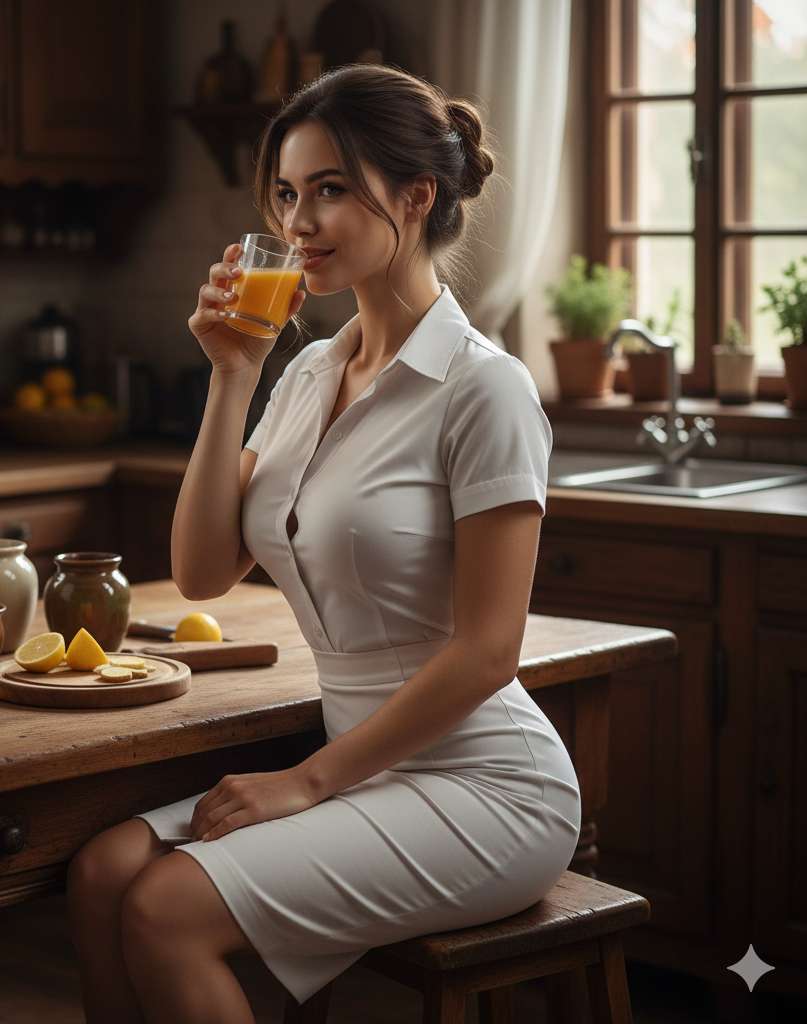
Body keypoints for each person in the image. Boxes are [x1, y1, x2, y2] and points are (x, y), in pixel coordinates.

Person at [67, 63, 581, 1024]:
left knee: (165, 909)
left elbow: (488, 651)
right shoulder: (307, 370)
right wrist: (232, 374)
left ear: (417, 198)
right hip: (362, 770)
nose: (298, 223)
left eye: (331, 191)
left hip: (485, 786)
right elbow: (204, 571)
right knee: (102, 874)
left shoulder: (486, 388)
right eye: (289, 195)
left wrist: (302, 785)